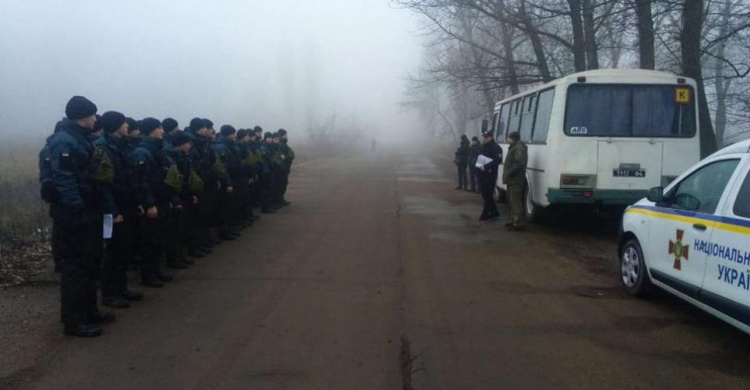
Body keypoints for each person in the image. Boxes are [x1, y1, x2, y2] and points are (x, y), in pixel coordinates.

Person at [47, 96, 114, 337]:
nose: (95, 119)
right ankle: (74, 321)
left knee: (89, 263)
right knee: (75, 268)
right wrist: (75, 209)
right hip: (74, 213)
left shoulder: (81, 139)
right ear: (81, 116)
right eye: (92, 115)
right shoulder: (64, 141)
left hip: (88, 209)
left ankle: (89, 311)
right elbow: (64, 179)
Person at [96, 111, 144, 309]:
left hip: (127, 204)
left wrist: (137, 201)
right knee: (114, 252)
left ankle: (121, 288)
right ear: (116, 125)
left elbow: (130, 178)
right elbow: (103, 184)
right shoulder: (103, 148)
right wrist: (112, 211)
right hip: (115, 207)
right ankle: (110, 293)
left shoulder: (122, 146)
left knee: (124, 249)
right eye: (124, 123)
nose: (127, 126)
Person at [133, 118, 177, 287]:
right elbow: (142, 181)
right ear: (151, 130)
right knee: (149, 240)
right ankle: (148, 275)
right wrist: (149, 204)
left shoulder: (158, 149)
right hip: (153, 202)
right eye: (159, 128)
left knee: (159, 238)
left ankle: (156, 271)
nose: (162, 131)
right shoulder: (142, 152)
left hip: (162, 199)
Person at [503, 131, 528, 231]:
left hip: (515, 179)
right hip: (511, 179)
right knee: (511, 200)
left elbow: (519, 163)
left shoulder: (519, 148)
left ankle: (518, 222)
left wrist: (509, 172)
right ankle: (513, 219)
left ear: (513, 138)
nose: (507, 140)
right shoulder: (515, 147)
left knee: (515, 200)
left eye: (508, 138)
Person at [477, 129, 503, 221]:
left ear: (491, 137)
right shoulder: (483, 146)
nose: (484, 138)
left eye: (486, 137)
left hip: (490, 174)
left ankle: (485, 214)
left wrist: (487, 166)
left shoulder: (496, 147)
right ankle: (494, 212)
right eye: (484, 137)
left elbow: (498, 160)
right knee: (485, 194)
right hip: (481, 173)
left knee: (488, 194)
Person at [277, 129, 294, 207]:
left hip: (285, 168)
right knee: (280, 185)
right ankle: (279, 200)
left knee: (283, 184)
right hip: (282, 168)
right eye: (285, 135)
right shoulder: (281, 145)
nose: (286, 137)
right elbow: (282, 157)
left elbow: (290, 155)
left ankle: (281, 199)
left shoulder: (284, 144)